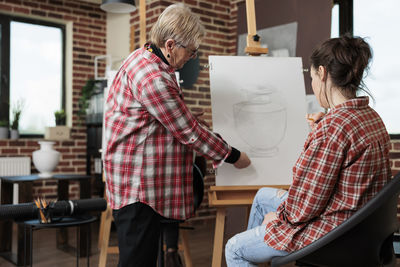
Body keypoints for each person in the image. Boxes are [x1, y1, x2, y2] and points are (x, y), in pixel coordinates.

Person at [103, 3, 251, 267]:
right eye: (191, 51)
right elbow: (189, 133)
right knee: (137, 261)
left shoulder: (146, 57)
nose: (192, 57)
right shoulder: (152, 77)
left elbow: (159, 118)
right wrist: (233, 155)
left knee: (144, 256)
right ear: (170, 45)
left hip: (138, 181)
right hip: (138, 186)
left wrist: (188, 117)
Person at [225, 34, 392, 266]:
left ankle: (255, 248)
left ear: (322, 73)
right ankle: (259, 248)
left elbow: (302, 209)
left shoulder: (333, 128)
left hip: (333, 231)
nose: (313, 85)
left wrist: (276, 221)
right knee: (263, 195)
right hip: (360, 225)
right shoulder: (370, 117)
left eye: (312, 76)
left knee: (234, 248)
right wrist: (321, 130)